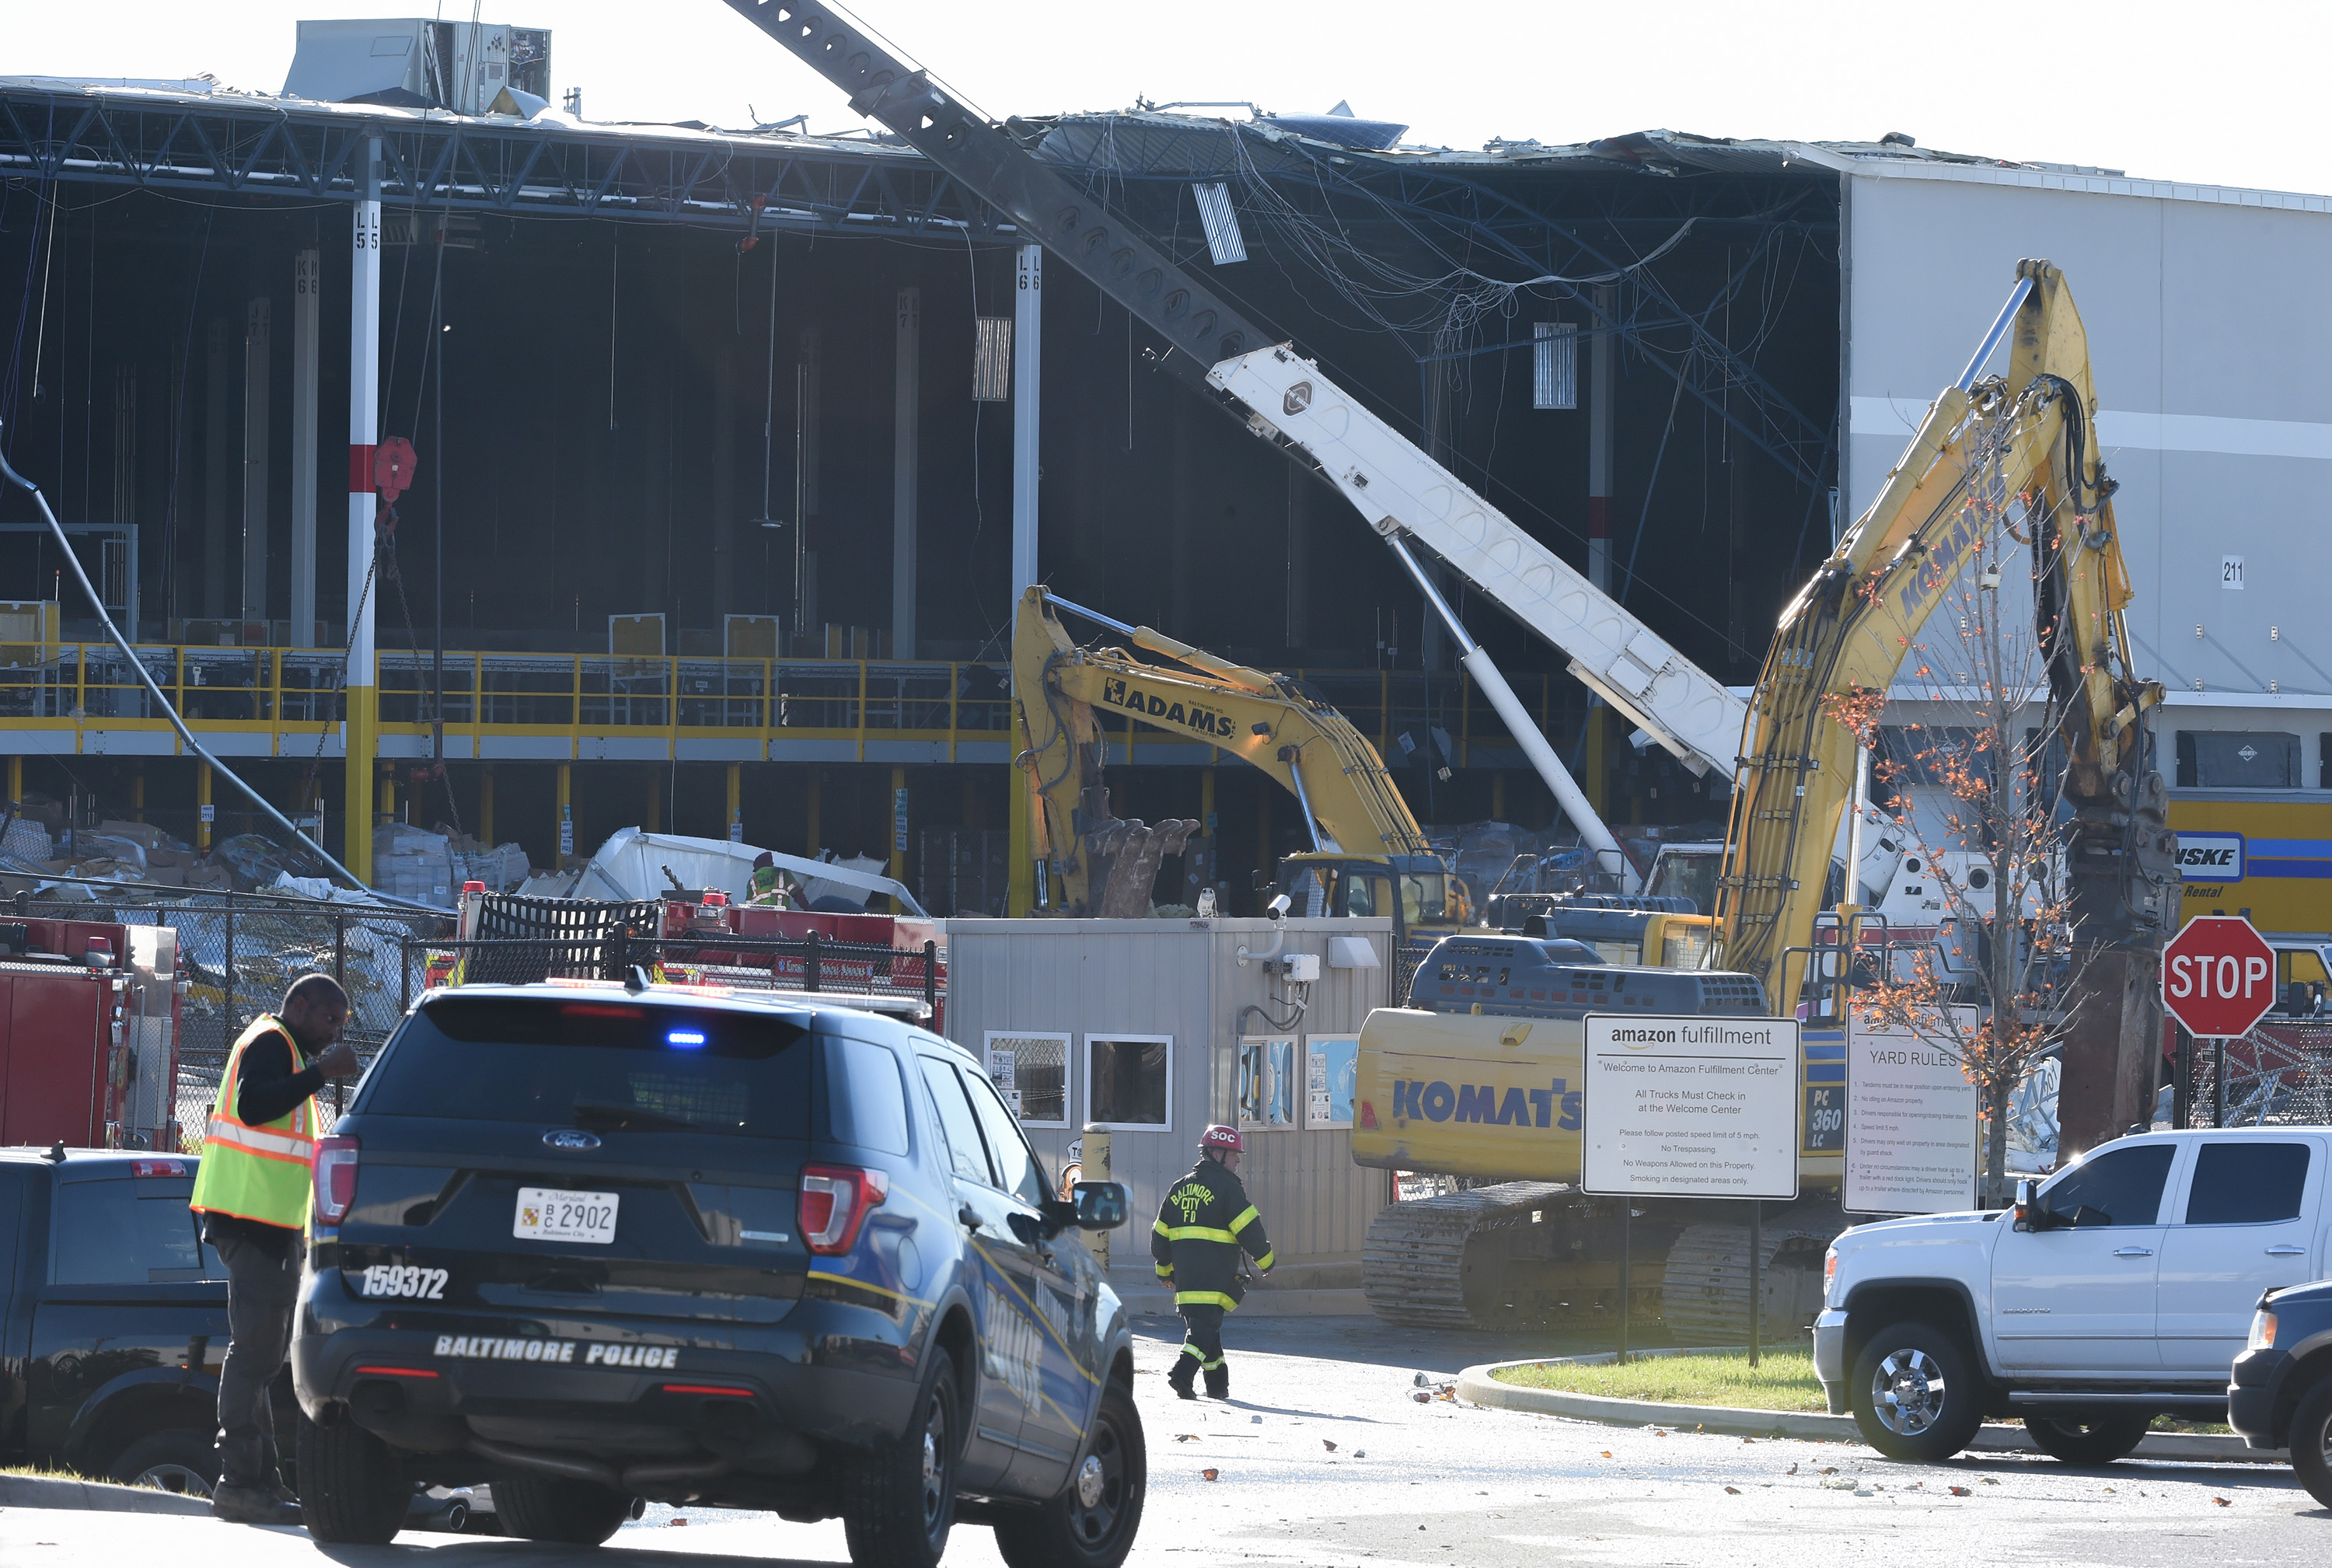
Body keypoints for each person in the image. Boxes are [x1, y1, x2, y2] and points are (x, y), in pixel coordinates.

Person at [188, 973, 360, 1525]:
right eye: (330, 1019)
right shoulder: (272, 1042)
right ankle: (239, 1480)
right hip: (250, 1219)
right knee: (255, 1354)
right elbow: (255, 1105)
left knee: (260, 1356)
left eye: (341, 1025)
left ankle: (260, 1481)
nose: (334, 1032)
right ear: (300, 1005)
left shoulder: (279, 1045)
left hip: (266, 1222)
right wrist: (321, 1073)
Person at [1152, 1124, 1273, 1400]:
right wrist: (1267, 1261)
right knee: (1203, 1330)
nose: (1238, 1160)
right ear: (1217, 1153)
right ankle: (1181, 1374)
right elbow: (1249, 1228)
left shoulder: (1178, 1188)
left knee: (1206, 1330)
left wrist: (1164, 1271)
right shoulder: (1228, 1188)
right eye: (1234, 1154)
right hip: (1215, 1278)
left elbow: (1159, 1235)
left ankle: (1217, 1387)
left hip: (1186, 1279)